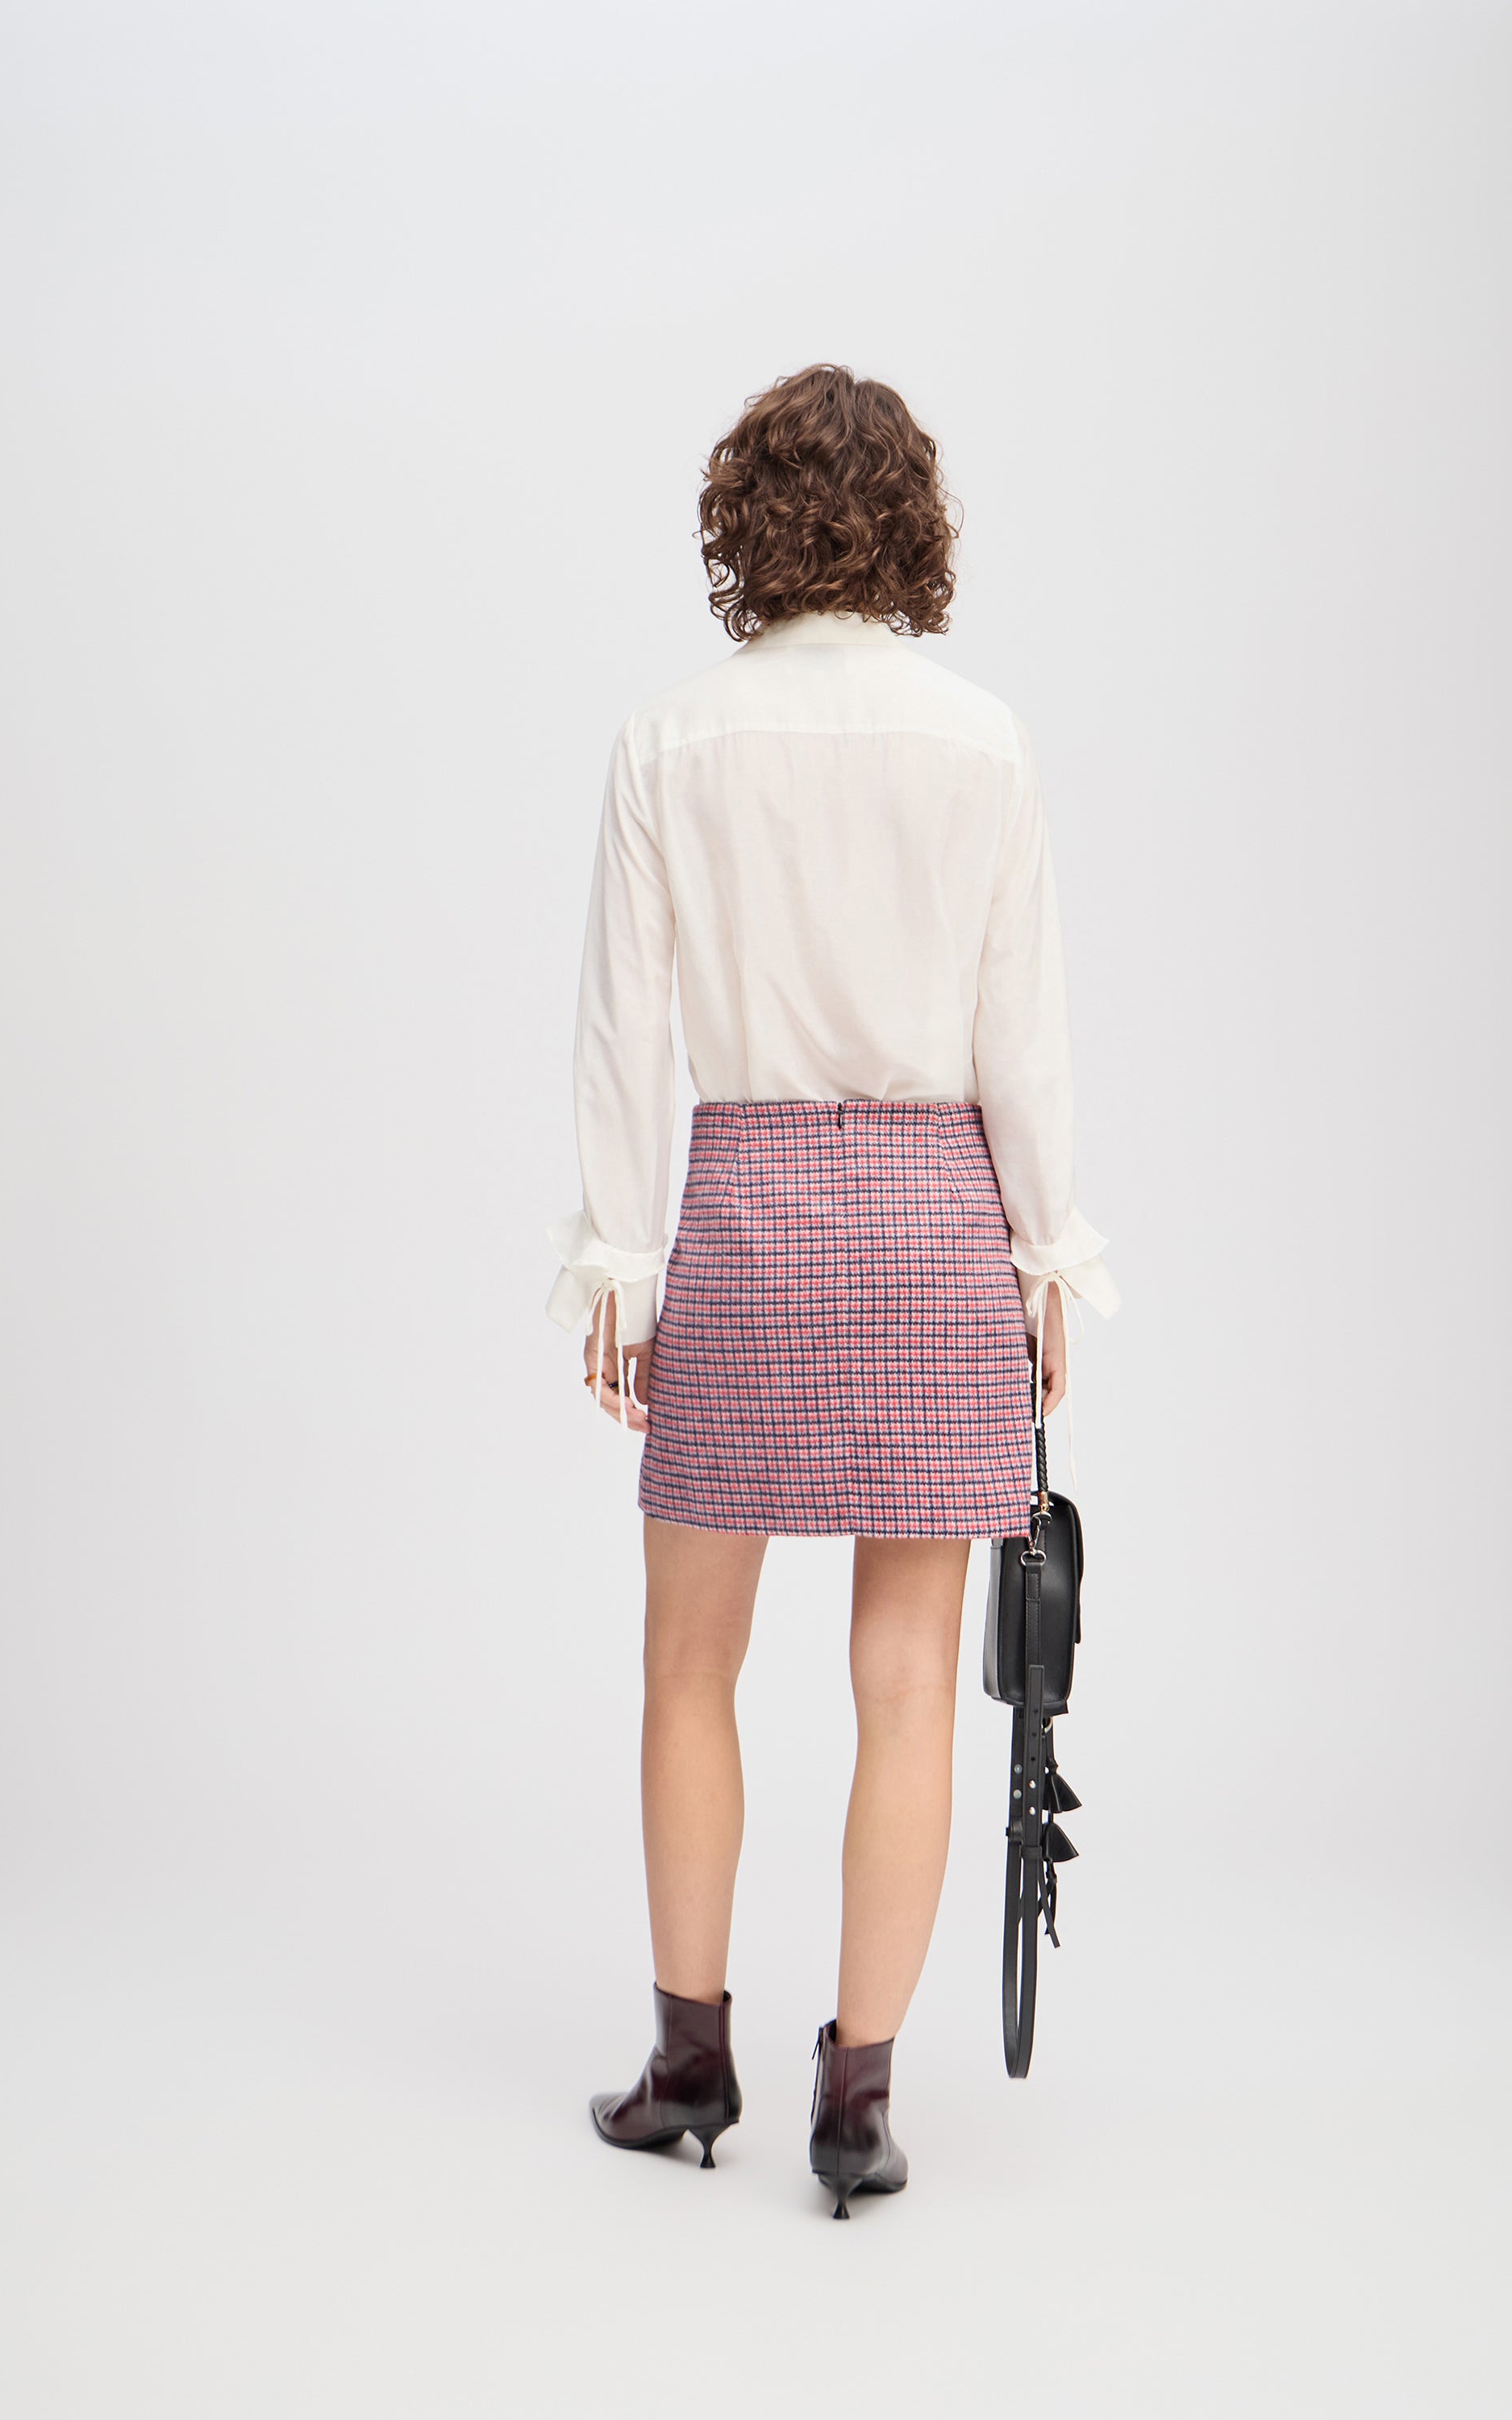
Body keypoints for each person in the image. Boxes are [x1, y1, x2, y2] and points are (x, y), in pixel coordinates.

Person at [545, 362, 1118, 2218]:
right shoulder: (982, 743)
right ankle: (858, 2100)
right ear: (912, 531)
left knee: (685, 1658)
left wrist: (618, 1264)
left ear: (745, 528)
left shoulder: (669, 742)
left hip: (745, 1211)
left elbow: (627, 1032)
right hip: (937, 1220)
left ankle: (686, 2063)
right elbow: (1023, 1036)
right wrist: (1046, 1256)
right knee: (907, 1680)